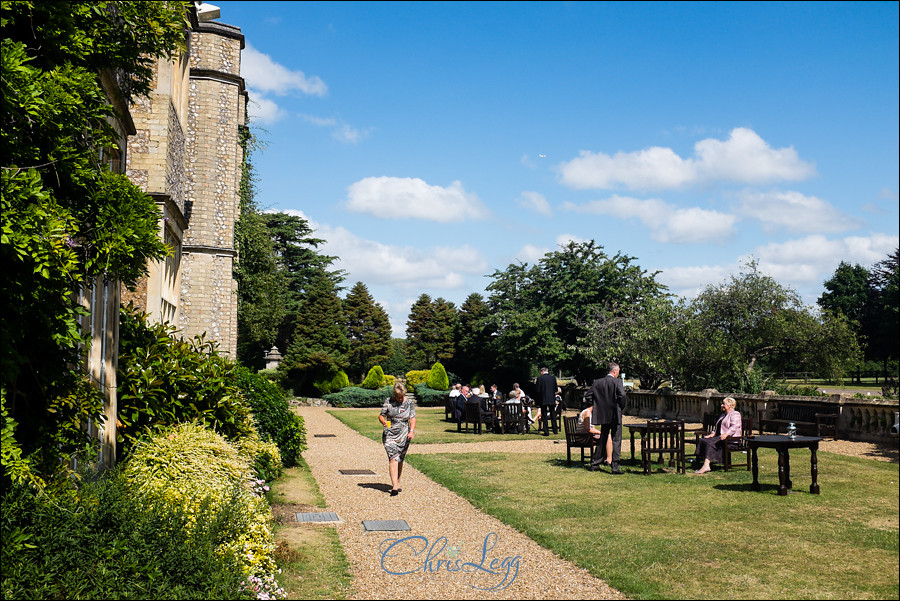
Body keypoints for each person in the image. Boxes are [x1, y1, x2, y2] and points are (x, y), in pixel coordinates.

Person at [588, 362, 627, 474]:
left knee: (602, 439)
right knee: (616, 440)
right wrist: (621, 407)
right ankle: (615, 467)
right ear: (614, 371)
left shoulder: (598, 382)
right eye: (618, 371)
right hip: (615, 414)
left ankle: (595, 463)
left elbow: (588, 395)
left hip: (603, 414)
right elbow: (622, 396)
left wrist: (597, 405)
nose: (618, 373)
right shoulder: (617, 382)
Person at [378, 382, 416, 496]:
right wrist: (384, 421)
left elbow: (412, 418)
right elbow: (381, 415)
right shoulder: (388, 401)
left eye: (402, 396)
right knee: (393, 457)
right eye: (398, 397)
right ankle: (394, 486)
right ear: (394, 395)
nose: (400, 399)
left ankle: (397, 483)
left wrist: (411, 431)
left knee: (400, 458)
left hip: (404, 434)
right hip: (390, 433)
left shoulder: (409, 403)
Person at [694, 397, 742, 474]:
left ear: (731, 405)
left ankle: (706, 466)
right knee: (703, 440)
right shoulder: (723, 415)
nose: (721, 405)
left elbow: (734, 426)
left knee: (710, 443)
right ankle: (704, 461)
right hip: (720, 438)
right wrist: (712, 433)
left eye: (724, 404)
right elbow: (718, 428)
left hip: (730, 440)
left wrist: (726, 434)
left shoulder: (735, 414)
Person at [535, 367, 559, 436]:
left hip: (543, 399)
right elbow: (556, 389)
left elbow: (537, 390)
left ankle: (546, 431)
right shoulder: (553, 378)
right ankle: (555, 430)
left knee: (544, 415)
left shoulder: (540, 379)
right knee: (553, 414)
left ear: (542, 372)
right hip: (551, 399)